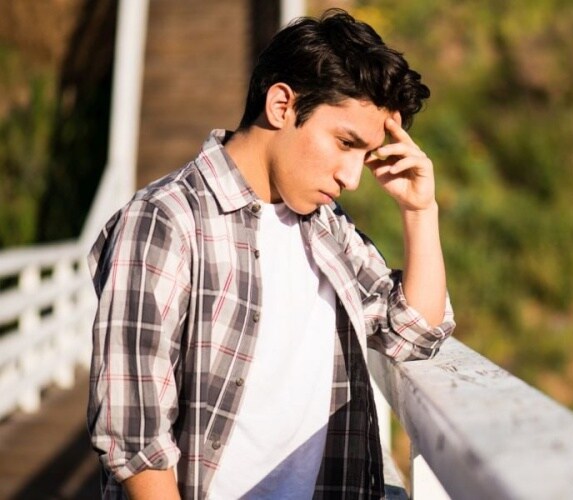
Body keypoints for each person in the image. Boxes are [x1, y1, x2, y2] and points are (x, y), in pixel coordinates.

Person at [87, 8, 455, 499]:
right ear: (281, 105)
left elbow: (412, 331)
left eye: (363, 155)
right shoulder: (166, 219)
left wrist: (420, 211)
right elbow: (134, 435)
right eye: (345, 143)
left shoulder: (325, 228)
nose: (352, 177)